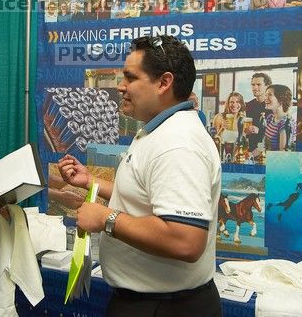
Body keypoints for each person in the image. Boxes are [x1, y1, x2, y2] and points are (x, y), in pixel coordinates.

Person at [58, 35, 222, 316]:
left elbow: (185, 240)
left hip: (165, 307)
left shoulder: (177, 144)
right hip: (150, 302)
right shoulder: (159, 130)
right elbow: (143, 196)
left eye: (130, 77)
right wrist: (91, 182)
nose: (121, 86)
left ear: (163, 83)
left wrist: (105, 218)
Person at [262, 84, 295, 151]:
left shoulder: (286, 123)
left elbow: (282, 154)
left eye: (270, 95)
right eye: (265, 95)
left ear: (281, 99)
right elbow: (264, 146)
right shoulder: (270, 118)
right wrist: (250, 154)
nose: (265, 98)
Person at [245, 72, 272, 150]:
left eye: (258, 84)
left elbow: (276, 135)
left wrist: (259, 131)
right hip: (249, 150)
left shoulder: (272, 107)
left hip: (267, 150)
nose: (255, 87)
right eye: (253, 85)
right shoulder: (248, 105)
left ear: (267, 87)